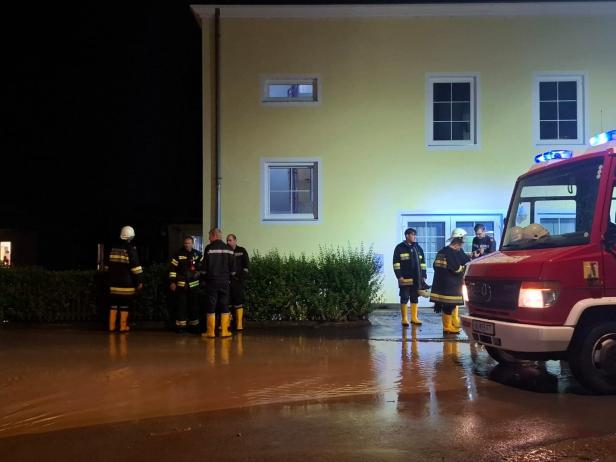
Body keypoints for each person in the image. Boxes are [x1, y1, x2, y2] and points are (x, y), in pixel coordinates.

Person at [430, 228, 470, 335]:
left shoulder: (458, 251)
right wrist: (462, 268)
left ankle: (451, 324)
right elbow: (452, 268)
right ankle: (447, 327)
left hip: (455, 284)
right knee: (447, 305)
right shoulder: (444, 252)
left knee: (452, 305)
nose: (463, 244)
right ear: (457, 240)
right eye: (462, 241)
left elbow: (466, 261)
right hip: (446, 285)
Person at [105, 226, 143, 332]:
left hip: (113, 284)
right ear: (131, 237)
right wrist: (139, 282)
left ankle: (111, 327)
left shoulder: (113, 248)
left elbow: (107, 267)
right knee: (124, 306)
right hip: (127, 285)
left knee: (113, 305)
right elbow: (136, 268)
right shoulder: (131, 249)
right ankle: (122, 327)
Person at [202, 228, 235, 338]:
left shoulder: (209, 248)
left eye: (209, 236)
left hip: (212, 282)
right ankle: (225, 331)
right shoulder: (229, 249)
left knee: (211, 305)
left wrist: (203, 278)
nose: (208, 238)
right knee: (224, 304)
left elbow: (204, 268)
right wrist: (230, 279)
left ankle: (210, 332)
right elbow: (233, 269)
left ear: (214, 235)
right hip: (225, 282)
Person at [392, 227, 428, 326]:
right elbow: (396, 263)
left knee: (414, 297)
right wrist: (399, 276)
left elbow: (423, 263)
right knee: (404, 297)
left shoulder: (418, 248)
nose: (414, 237)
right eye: (413, 234)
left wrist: (424, 275)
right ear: (407, 235)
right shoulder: (399, 248)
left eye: (415, 235)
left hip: (417, 278)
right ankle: (404, 319)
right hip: (405, 278)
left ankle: (414, 318)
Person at [169, 236, 203, 333]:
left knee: (194, 307)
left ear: (192, 244)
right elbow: (172, 269)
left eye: (188, 243)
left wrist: (198, 273)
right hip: (181, 285)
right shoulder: (178, 254)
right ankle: (181, 327)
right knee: (181, 306)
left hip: (194, 286)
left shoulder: (198, 254)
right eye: (185, 243)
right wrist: (172, 282)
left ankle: (194, 327)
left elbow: (202, 268)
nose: (187, 245)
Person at [226, 233, 249, 331]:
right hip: (228, 281)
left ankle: (239, 324)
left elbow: (246, 266)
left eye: (230, 240)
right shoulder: (225, 252)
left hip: (238, 282)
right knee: (227, 303)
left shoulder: (242, 251)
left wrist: (240, 278)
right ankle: (227, 324)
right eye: (227, 240)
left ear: (235, 240)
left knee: (238, 302)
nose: (229, 242)